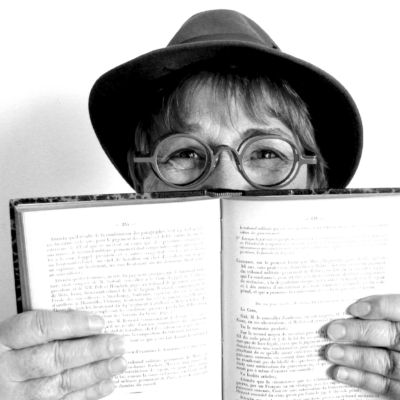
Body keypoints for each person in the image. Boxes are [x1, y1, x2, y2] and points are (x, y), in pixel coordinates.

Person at [0, 9, 398, 400]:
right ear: (143, 180)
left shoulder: (381, 324)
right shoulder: (55, 347)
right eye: (186, 153)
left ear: (316, 181)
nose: (226, 184)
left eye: (266, 153)